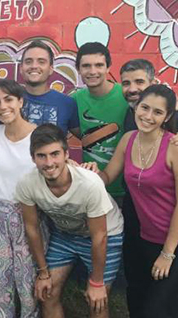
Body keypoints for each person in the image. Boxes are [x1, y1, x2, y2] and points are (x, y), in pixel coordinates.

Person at [90, 85, 178, 318]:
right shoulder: (128, 139)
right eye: (145, 108)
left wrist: (168, 253)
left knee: (158, 305)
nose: (148, 116)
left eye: (157, 112)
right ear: (136, 108)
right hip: (148, 233)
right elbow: (108, 178)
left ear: (166, 117)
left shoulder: (177, 146)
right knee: (143, 293)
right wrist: (92, 172)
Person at [15, 124, 124, 318]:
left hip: (106, 233)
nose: (49, 162)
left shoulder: (89, 184)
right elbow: (32, 227)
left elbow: (99, 236)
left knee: (97, 301)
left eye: (55, 154)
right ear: (33, 158)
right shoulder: (27, 183)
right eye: (41, 156)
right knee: (48, 292)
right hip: (66, 235)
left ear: (66, 154)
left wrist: (96, 283)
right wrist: (43, 273)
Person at [117, 59, 178, 318]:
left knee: (169, 290)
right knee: (136, 279)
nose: (133, 89)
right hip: (136, 212)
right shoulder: (129, 117)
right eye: (126, 83)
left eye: (139, 82)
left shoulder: (176, 121)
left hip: (169, 219)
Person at [0, 80, 40, 318]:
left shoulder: (39, 136)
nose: (3, 106)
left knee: (27, 287)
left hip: (29, 217)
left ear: (20, 101)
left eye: (8, 100)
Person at [72, 42, 129, 200]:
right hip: (93, 189)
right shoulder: (74, 101)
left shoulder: (126, 95)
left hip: (129, 190)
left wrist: (176, 109)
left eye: (99, 65)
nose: (93, 71)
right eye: (86, 66)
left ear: (108, 67)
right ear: (79, 69)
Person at [19, 40, 79, 135]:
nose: (34, 66)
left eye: (41, 62)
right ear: (21, 68)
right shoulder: (8, 100)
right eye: (28, 61)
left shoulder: (67, 104)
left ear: (51, 69)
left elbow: (86, 139)